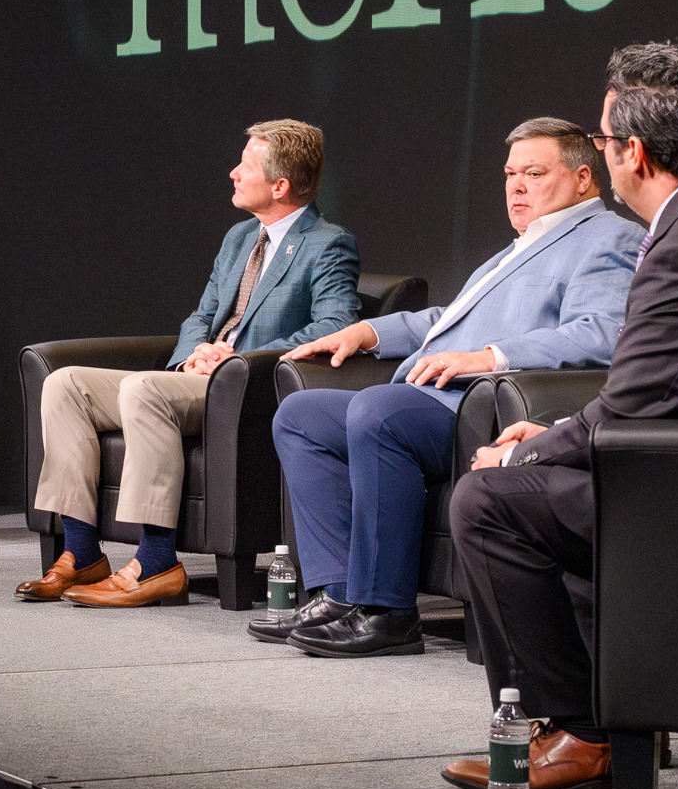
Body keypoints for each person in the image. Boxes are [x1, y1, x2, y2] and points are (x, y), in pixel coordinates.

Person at [441, 44, 678, 789]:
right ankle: (604, 714)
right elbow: (653, 392)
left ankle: (580, 734)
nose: (604, 151)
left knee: (487, 502)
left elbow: (633, 409)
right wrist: (551, 436)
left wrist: (524, 455)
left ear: (633, 153)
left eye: (605, 139)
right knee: (537, 479)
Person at [262, 119, 640, 657]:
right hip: (435, 396)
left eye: (534, 174)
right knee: (300, 415)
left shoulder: (609, 237)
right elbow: (450, 319)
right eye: (510, 174)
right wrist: (368, 332)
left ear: (583, 178)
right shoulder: (518, 246)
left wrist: (490, 356)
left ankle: (387, 612)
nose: (516, 186)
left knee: (378, 411)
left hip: (481, 406)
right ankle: (338, 594)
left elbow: (599, 332)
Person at [21, 120, 360, 608]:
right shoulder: (240, 238)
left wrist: (236, 358)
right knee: (65, 384)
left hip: (247, 390)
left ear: (280, 186)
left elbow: (336, 325)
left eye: (245, 166)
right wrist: (192, 356)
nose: (233, 173)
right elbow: (202, 315)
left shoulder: (327, 243)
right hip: (198, 379)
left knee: (143, 389)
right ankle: (82, 552)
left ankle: (157, 561)